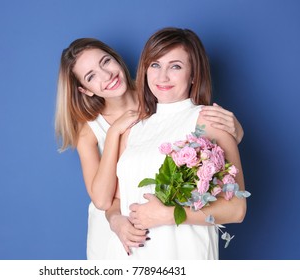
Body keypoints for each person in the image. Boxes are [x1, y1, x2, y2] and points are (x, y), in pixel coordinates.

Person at [55, 37, 244, 259]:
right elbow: (104, 200)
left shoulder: (158, 93)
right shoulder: (95, 130)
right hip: (116, 227)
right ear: (84, 90)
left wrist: (237, 132)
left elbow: (206, 143)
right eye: (91, 76)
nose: (106, 75)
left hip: (170, 237)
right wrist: (115, 132)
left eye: (105, 62)